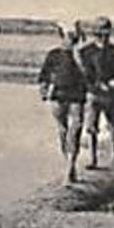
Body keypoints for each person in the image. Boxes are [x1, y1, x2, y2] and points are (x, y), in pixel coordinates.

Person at [37, 22, 89, 183]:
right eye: (68, 36)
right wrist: (44, 90)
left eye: (74, 37)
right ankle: (67, 161)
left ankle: (71, 166)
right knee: (62, 129)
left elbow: (90, 75)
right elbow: (44, 76)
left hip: (77, 94)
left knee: (77, 127)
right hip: (58, 94)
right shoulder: (54, 54)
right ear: (62, 36)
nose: (70, 40)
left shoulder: (83, 55)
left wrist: (78, 57)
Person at [78, 15, 114, 168]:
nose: (104, 36)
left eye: (107, 33)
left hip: (111, 95)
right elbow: (84, 74)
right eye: (101, 32)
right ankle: (93, 159)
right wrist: (96, 85)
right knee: (92, 127)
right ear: (96, 33)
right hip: (93, 95)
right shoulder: (86, 52)